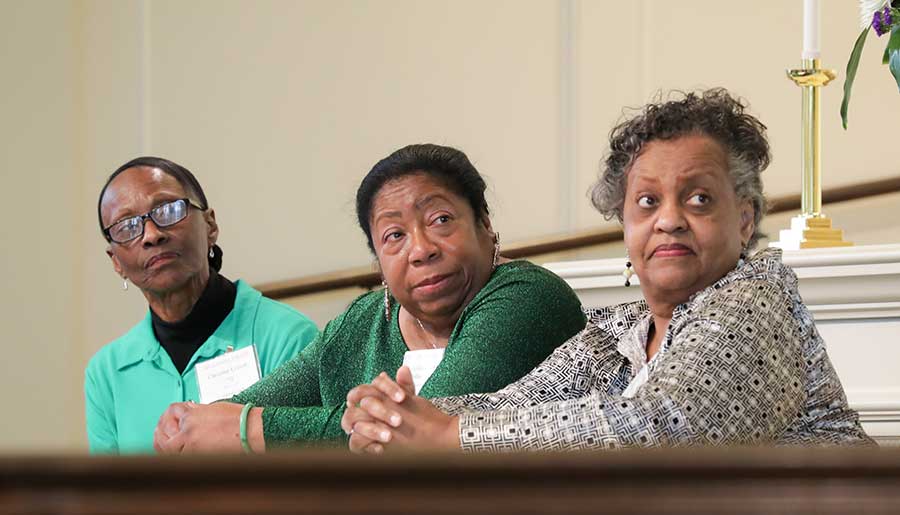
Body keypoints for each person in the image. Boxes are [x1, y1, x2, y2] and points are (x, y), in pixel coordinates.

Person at [343, 89, 875, 452]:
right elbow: (514, 403)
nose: (669, 220)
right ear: (623, 223)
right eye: (647, 202)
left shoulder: (757, 302)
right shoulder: (619, 332)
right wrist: (397, 416)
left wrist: (450, 435)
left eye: (698, 198)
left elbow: (665, 429)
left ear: (744, 219)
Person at [152, 143, 587, 453]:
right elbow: (254, 403)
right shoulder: (363, 322)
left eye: (440, 220)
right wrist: (191, 424)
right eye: (394, 235)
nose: (420, 249)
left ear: (484, 224)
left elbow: (415, 432)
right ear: (378, 259)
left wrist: (245, 429)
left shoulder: (527, 298)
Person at [85, 157, 319, 454]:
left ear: (210, 225)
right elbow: (110, 497)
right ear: (116, 262)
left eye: (168, 210)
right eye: (127, 226)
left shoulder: (288, 337)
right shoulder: (107, 372)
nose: (152, 235)